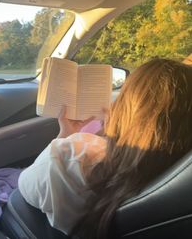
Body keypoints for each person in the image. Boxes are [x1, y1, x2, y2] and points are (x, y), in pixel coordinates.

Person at [18, 58, 192, 239]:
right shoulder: (180, 172)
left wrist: (65, 136)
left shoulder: (72, 154)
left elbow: (24, 185)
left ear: (128, 106)